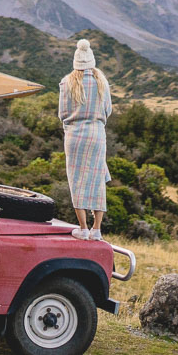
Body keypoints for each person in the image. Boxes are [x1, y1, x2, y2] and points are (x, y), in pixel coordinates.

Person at [58, 38, 112, 240]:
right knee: (97, 179)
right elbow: (108, 110)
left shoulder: (67, 82)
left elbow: (63, 113)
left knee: (77, 180)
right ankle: (97, 229)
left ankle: (82, 227)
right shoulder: (102, 81)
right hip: (97, 135)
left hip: (74, 136)